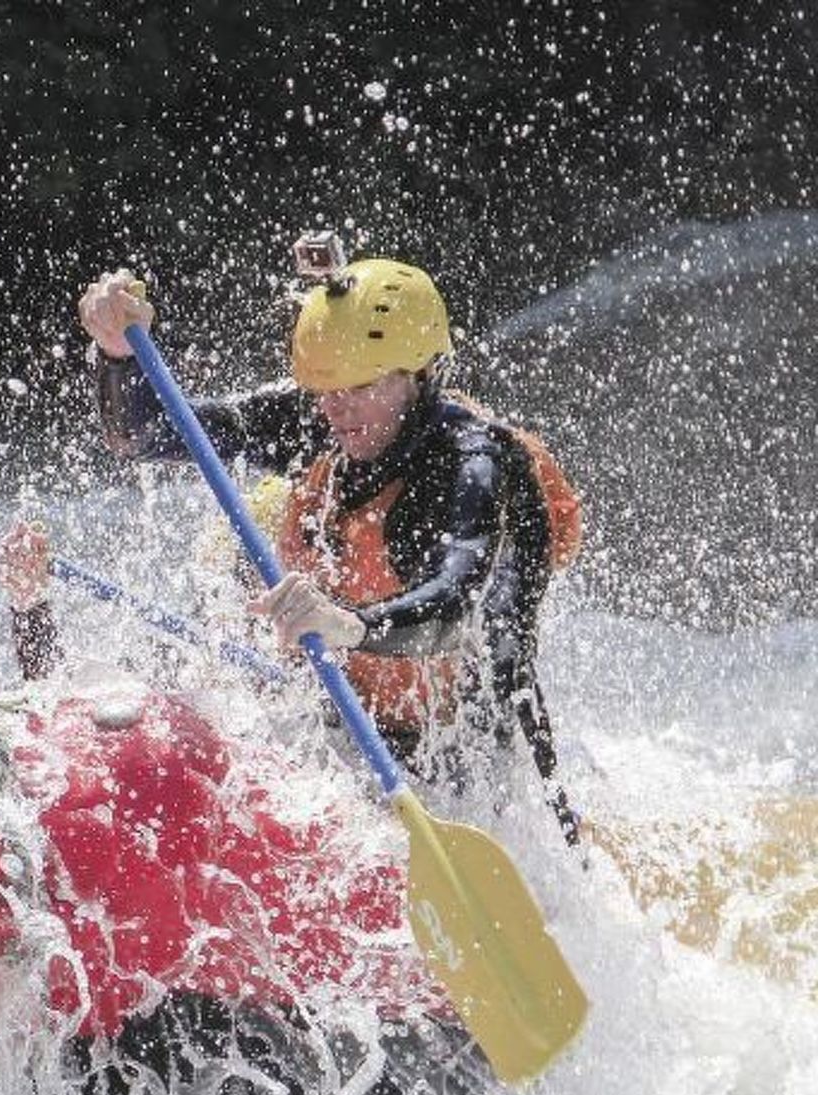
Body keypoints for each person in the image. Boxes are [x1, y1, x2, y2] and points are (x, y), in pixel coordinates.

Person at [61, 245, 582, 815]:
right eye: (328, 388)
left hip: (459, 744)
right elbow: (146, 434)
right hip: (337, 713)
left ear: (422, 375)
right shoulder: (321, 420)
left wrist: (347, 624)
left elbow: (462, 606)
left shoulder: (473, 463)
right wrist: (117, 354)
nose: (340, 409)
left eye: (364, 387)